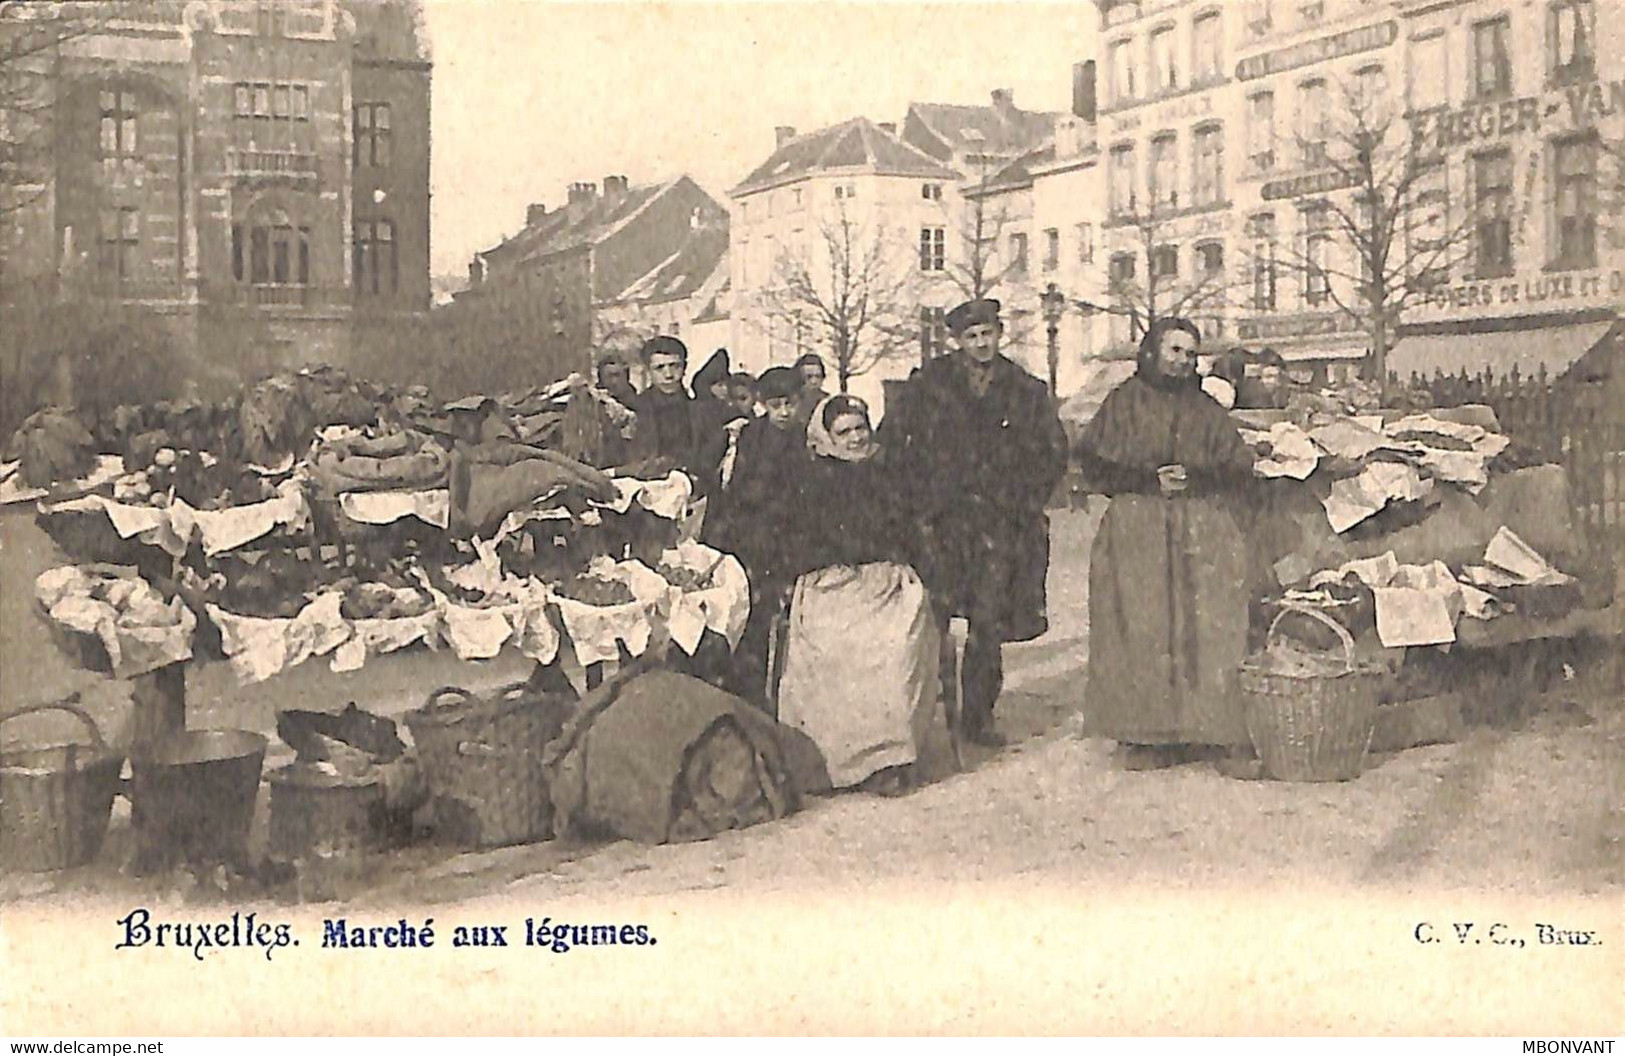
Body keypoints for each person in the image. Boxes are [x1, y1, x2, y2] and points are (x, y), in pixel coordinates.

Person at [882, 297, 1068, 749]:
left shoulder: (1025, 389)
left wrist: (1022, 498)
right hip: (939, 523)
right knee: (935, 618)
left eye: (988, 334)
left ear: (1000, 333)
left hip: (998, 523)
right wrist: (916, 501)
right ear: (957, 341)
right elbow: (893, 444)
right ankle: (930, 712)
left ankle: (978, 716)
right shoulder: (928, 386)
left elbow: (1052, 452)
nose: (982, 343)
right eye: (972, 336)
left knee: (987, 622)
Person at [1075, 317, 1257, 771]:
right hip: (1138, 527)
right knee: (1142, 626)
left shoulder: (1206, 409)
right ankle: (1145, 733)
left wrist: (1197, 477)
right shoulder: (1123, 402)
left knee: (1205, 627)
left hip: (1200, 529)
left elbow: (1238, 467)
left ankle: (1205, 727)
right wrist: (1144, 479)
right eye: (1174, 350)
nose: (1182, 361)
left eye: (1190, 353)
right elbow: (1093, 463)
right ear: (1154, 351)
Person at [776, 395, 939, 796]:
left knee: (893, 647)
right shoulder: (810, 478)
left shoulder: (891, 470)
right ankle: (832, 762)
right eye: (844, 432)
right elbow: (795, 538)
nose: (854, 439)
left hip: (887, 580)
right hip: (830, 582)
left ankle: (888, 761)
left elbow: (913, 528)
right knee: (833, 647)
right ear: (826, 436)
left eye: (860, 428)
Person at [711, 366, 811, 703]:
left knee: (793, 622)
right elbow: (737, 491)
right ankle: (750, 696)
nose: (784, 412)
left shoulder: (807, 439)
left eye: (790, 404)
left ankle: (788, 696)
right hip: (754, 539)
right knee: (752, 620)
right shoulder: (750, 437)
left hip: (793, 539)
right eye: (776, 404)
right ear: (763, 404)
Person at [629, 335, 700, 474]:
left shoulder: (699, 409)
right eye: (659, 368)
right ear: (648, 371)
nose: (668, 374)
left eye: (674, 366)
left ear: (684, 368)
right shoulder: (634, 408)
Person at [791, 353, 830, 433]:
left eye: (818, 376)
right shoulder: (790, 403)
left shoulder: (828, 402)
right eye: (809, 377)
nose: (814, 381)